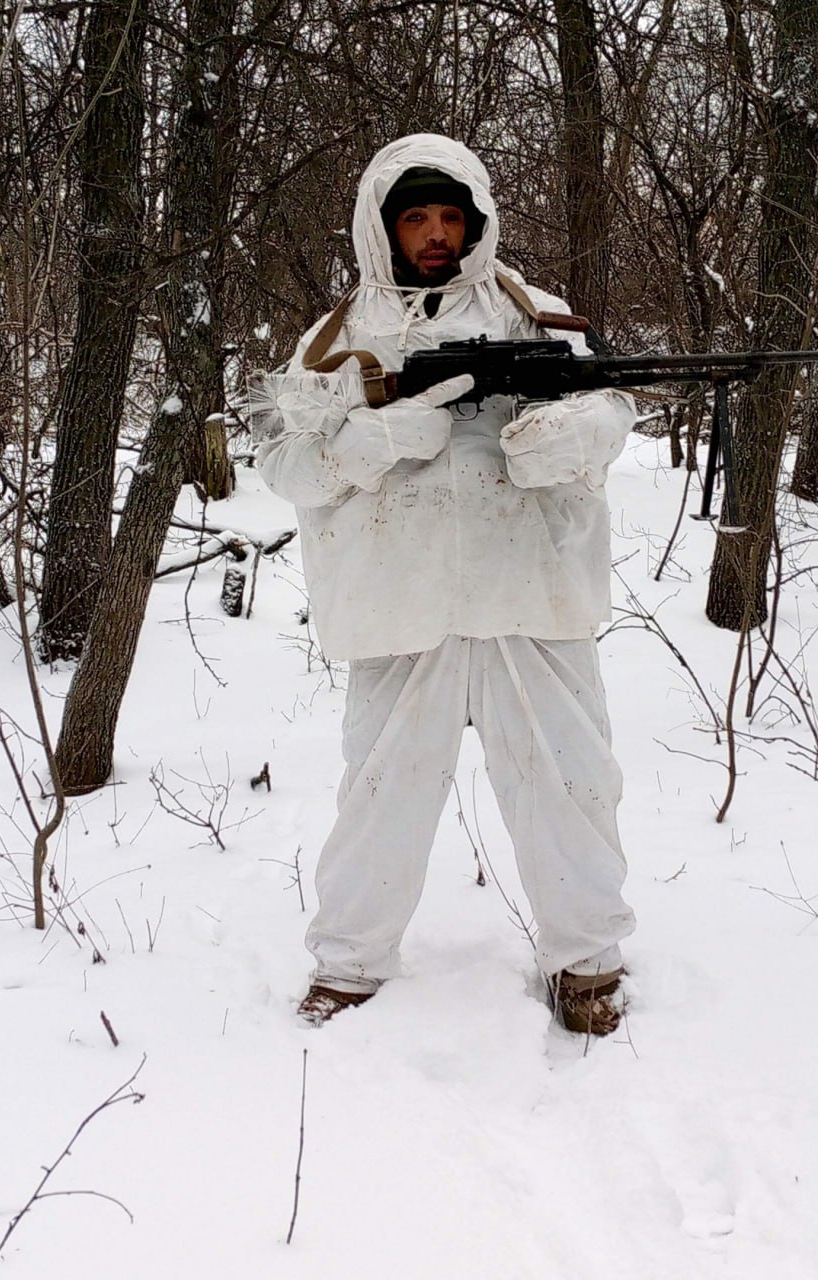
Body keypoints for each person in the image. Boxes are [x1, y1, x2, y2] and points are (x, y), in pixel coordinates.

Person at [252, 134, 637, 1034]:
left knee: (569, 782)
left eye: (449, 216)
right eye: (415, 217)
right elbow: (283, 462)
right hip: (401, 599)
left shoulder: (533, 314)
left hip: (527, 591)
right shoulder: (336, 341)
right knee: (382, 792)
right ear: (383, 226)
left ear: (476, 222)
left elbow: (611, 403)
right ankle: (348, 964)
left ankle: (587, 962)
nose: (433, 234)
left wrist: (567, 439)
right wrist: (368, 444)